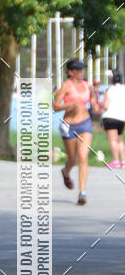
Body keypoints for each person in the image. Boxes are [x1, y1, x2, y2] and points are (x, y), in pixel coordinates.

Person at [53, 58, 101, 205]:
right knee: (72, 159)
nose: (81, 72)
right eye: (78, 70)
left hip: (85, 124)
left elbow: (92, 99)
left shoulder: (87, 85)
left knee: (82, 156)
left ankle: (82, 193)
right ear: (71, 72)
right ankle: (65, 172)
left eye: (82, 70)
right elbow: (55, 106)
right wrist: (69, 105)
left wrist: (94, 105)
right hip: (69, 126)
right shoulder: (66, 86)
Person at [101, 71, 125, 168]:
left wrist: (101, 104)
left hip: (110, 117)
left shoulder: (110, 90)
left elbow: (106, 106)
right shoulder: (124, 89)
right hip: (121, 118)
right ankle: (123, 161)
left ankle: (115, 160)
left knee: (112, 140)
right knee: (119, 139)